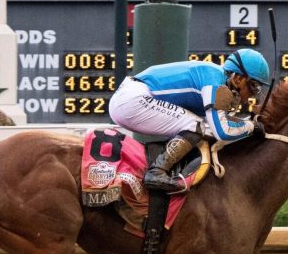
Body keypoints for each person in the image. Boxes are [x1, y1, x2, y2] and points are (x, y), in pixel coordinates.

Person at [108, 48, 270, 192]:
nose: (253, 94)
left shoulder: (217, 80)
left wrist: (249, 122)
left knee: (199, 125)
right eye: (254, 86)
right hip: (132, 100)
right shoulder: (214, 84)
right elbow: (222, 131)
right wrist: (251, 126)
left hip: (131, 98)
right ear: (238, 79)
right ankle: (155, 172)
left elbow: (220, 122)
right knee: (195, 126)